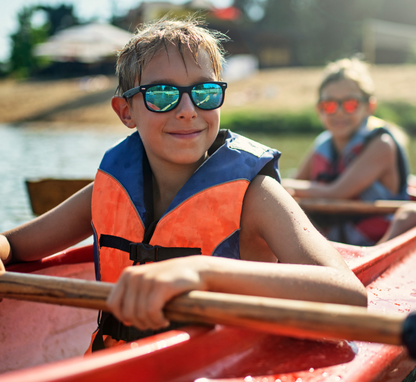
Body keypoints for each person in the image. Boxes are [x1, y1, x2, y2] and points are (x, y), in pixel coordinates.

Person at [0, 18, 367, 352]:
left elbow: (349, 296)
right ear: (125, 111)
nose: (188, 109)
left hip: (218, 375)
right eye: (162, 94)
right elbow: (14, 244)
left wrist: (202, 271)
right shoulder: (108, 189)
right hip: (118, 375)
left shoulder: (255, 195)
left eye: (205, 92)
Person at [283, 58, 416, 246]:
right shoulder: (322, 144)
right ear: (319, 109)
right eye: (329, 105)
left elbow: (336, 193)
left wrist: (282, 186)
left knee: (411, 214)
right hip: (333, 236)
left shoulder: (381, 145)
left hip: (377, 237)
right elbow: (297, 183)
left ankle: (379, 256)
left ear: (370, 107)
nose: (339, 112)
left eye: (350, 104)